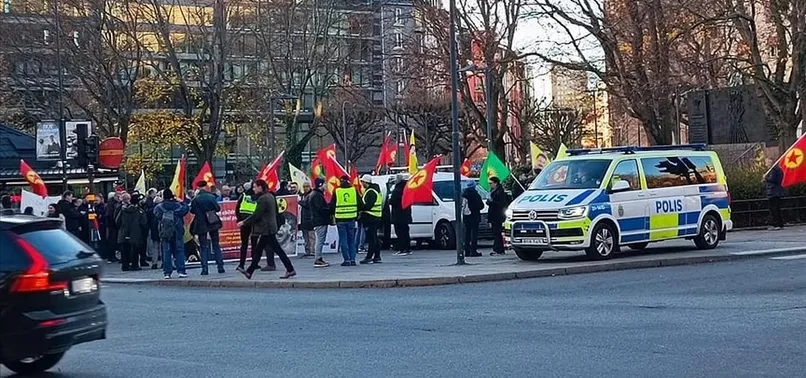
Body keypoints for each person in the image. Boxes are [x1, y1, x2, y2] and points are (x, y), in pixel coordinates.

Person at [237, 179, 296, 279]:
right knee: (262, 250)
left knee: (274, 250)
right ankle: (250, 271)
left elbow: (257, 214)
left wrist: (244, 222)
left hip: (267, 228)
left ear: (260, 187)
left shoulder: (263, 199)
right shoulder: (270, 196)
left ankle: (290, 269)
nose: (253, 189)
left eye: (255, 187)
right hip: (269, 227)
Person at [190, 181, 225, 275]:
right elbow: (217, 208)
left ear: (198, 188)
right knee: (216, 244)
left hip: (201, 224)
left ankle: (204, 269)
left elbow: (192, 211)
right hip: (212, 222)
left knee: (203, 246)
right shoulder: (211, 197)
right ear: (205, 187)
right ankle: (220, 266)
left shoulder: (195, 199)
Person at [154, 188, 190, 279]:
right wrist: (181, 201)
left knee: (166, 252)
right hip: (177, 231)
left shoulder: (159, 207)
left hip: (165, 232)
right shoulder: (177, 206)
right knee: (179, 251)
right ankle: (181, 271)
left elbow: (156, 215)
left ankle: (167, 273)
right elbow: (186, 209)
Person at [332, 174, 361, 266]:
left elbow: (332, 205)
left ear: (341, 181)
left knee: (343, 239)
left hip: (340, 219)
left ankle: (346, 260)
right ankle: (353, 259)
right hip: (352, 218)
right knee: (351, 240)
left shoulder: (337, 191)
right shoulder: (353, 190)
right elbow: (360, 203)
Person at [115, 193, 147, 271]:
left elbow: (117, 221)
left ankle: (125, 266)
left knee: (125, 250)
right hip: (135, 233)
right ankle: (134, 265)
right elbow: (143, 222)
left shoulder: (122, 210)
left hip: (123, 232)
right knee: (134, 250)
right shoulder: (139, 211)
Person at [358, 175, 383, 264]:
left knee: (371, 238)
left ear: (365, 182)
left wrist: (360, 208)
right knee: (374, 237)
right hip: (375, 216)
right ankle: (377, 256)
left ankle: (369, 257)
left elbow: (368, 206)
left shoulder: (370, 192)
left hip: (371, 217)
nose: (362, 184)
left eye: (362, 182)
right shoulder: (375, 190)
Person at [235, 181, 258, 271]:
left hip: (244, 222)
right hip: (253, 222)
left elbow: (237, 208)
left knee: (244, 244)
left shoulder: (244, 195)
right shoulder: (257, 196)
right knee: (254, 243)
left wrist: (239, 219)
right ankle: (253, 263)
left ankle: (242, 264)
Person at [308, 178, 331, 267]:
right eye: (325, 184)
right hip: (319, 220)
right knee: (320, 240)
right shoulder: (317, 195)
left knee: (320, 239)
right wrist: (329, 210)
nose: (326, 186)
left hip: (317, 220)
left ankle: (319, 257)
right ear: (320, 185)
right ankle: (318, 258)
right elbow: (320, 209)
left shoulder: (315, 194)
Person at [388, 174, 412, 256]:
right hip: (406, 214)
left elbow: (392, 201)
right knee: (406, 232)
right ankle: (407, 248)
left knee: (400, 233)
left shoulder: (397, 190)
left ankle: (402, 249)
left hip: (398, 215)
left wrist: (389, 200)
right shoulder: (407, 188)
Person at [486, 176, 509, 255]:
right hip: (493, 214)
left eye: (491, 183)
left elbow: (501, 203)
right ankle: (497, 248)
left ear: (495, 183)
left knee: (497, 232)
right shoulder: (492, 191)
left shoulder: (499, 191)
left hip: (497, 214)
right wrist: (489, 201)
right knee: (495, 232)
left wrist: (491, 202)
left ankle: (498, 249)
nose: (490, 185)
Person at [462, 181, 485, 257]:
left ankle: (467, 251)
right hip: (474, 216)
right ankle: (473, 250)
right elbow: (481, 206)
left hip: (466, 216)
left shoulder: (464, 194)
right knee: (474, 234)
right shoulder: (475, 195)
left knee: (467, 233)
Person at [764, 157, 785, 230]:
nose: (766, 164)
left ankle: (776, 224)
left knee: (774, 209)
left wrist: (765, 178)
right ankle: (779, 223)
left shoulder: (774, 170)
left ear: (771, 163)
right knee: (776, 208)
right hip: (776, 191)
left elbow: (773, 179)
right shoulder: (777, 169)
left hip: (773, 192)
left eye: (767, 162)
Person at [298, 182, 316, 257]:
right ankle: (307, 250)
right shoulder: (302, 195)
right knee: (305, 237)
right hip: (303, 219)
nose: (305, 188)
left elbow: (308, 205)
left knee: (311, 236)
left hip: (310, 218)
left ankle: (312, 251)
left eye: (307, 186)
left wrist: (300, 202)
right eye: (304, 186)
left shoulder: (312, 195)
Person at [145, 188, 160, 269]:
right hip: (160, 230)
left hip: (154, 229)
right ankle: (163, 262)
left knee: (155, 246)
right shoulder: (159, 210)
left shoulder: (152, 210)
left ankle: (154, 263)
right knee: (162, 246)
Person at [105, 191, 121, 263]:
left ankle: (112, 256)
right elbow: (110, 215)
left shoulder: (111, 203)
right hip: (112, 225)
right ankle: (111, 256)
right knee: (112, 241)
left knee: (112, 241)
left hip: (111, 225)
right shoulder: (112, 204)